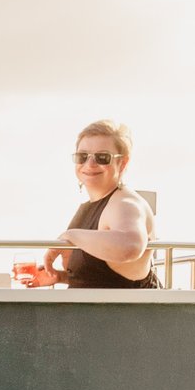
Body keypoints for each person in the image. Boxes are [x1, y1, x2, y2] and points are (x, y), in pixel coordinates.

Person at [45, 121, 156, 289]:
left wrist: (70, 236)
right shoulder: (89, 207)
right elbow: (103, 277)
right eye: (82, 156)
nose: (89, 164)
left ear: (122, 163)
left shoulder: (125, 204)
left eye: (102, 157)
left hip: (123, 314)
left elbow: (131, 246)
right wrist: (60, 277)